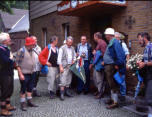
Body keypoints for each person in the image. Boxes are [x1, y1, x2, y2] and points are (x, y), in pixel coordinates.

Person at [103, 28, 126, 109]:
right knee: (110, 84)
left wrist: (117, 64)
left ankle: (115, 102)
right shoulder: (111, 42)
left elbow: (121, 56)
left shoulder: (115, 42)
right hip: (108, 66)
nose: (105, 36)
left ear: (109, 35)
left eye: (106, 34)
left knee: (113, 84)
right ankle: (112, 99)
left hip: (111, 66)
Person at [16, 37, 38, 111]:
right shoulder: (21, 51)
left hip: (32, 72)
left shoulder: (32, 50)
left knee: (30, 88)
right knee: (23, 88)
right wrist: (20, 74)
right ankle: (23, 103)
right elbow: (17, 64)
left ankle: (29, 101)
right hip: (24, 73)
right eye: (33, 44)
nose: (34, 45)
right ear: (29, 44)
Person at [0, 32, 16, 116]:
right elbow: (6, 61)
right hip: (4, 74)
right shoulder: (1, 49)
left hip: (9, 72)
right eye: (8, 38)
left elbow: (10, 60)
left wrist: (11, 59)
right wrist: (11, 58)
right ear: (4, 41)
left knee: (10, 90)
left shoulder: (6, 48)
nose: (10, 39)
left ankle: (8, 105)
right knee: (4, 91)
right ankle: (2, 110)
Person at [137, 32, 152, 117]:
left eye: (139, 39)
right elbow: (146, 61)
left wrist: (144, 64)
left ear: (144, 38)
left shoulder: (151, 47)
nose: (139, 41)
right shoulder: (146, 48)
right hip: (147, 75)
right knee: (149, 97)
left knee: (149, 98)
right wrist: (140, 63)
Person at [57, 36, 76, 101]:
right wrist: (60, 67)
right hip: (64, 66)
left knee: (69, 79)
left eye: (71, 42)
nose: (70, 43)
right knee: (63, 80)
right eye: (69, 42)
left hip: (70, 66)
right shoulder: (62, 48)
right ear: (66, 42)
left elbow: (74, 56)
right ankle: (61, 94)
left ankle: (67, 92)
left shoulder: (73, 48)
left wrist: (74, 60)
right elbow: (59, 59)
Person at [90, 32, 107, 99]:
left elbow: (104, 53)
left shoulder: (102, 43)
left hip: (100, 65)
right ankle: (99, 91)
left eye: (94, 37)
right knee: (96, 78)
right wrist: (95, 53)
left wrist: (103, 61)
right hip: (97, 64)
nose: (93, 38)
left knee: (100, 79)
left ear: (97, 37)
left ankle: (101, 93)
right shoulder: (99, 43)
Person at [115, 32, 129, 102]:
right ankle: (118, 94)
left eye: (115, 37)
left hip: (122, 65)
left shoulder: (122, 44)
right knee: (117, 79)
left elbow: (127, 54)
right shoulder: (114, 44)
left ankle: (123, 95)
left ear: (118, 38)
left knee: (122, 80)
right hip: (116, 65)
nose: (114, 39)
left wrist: (127, 64)